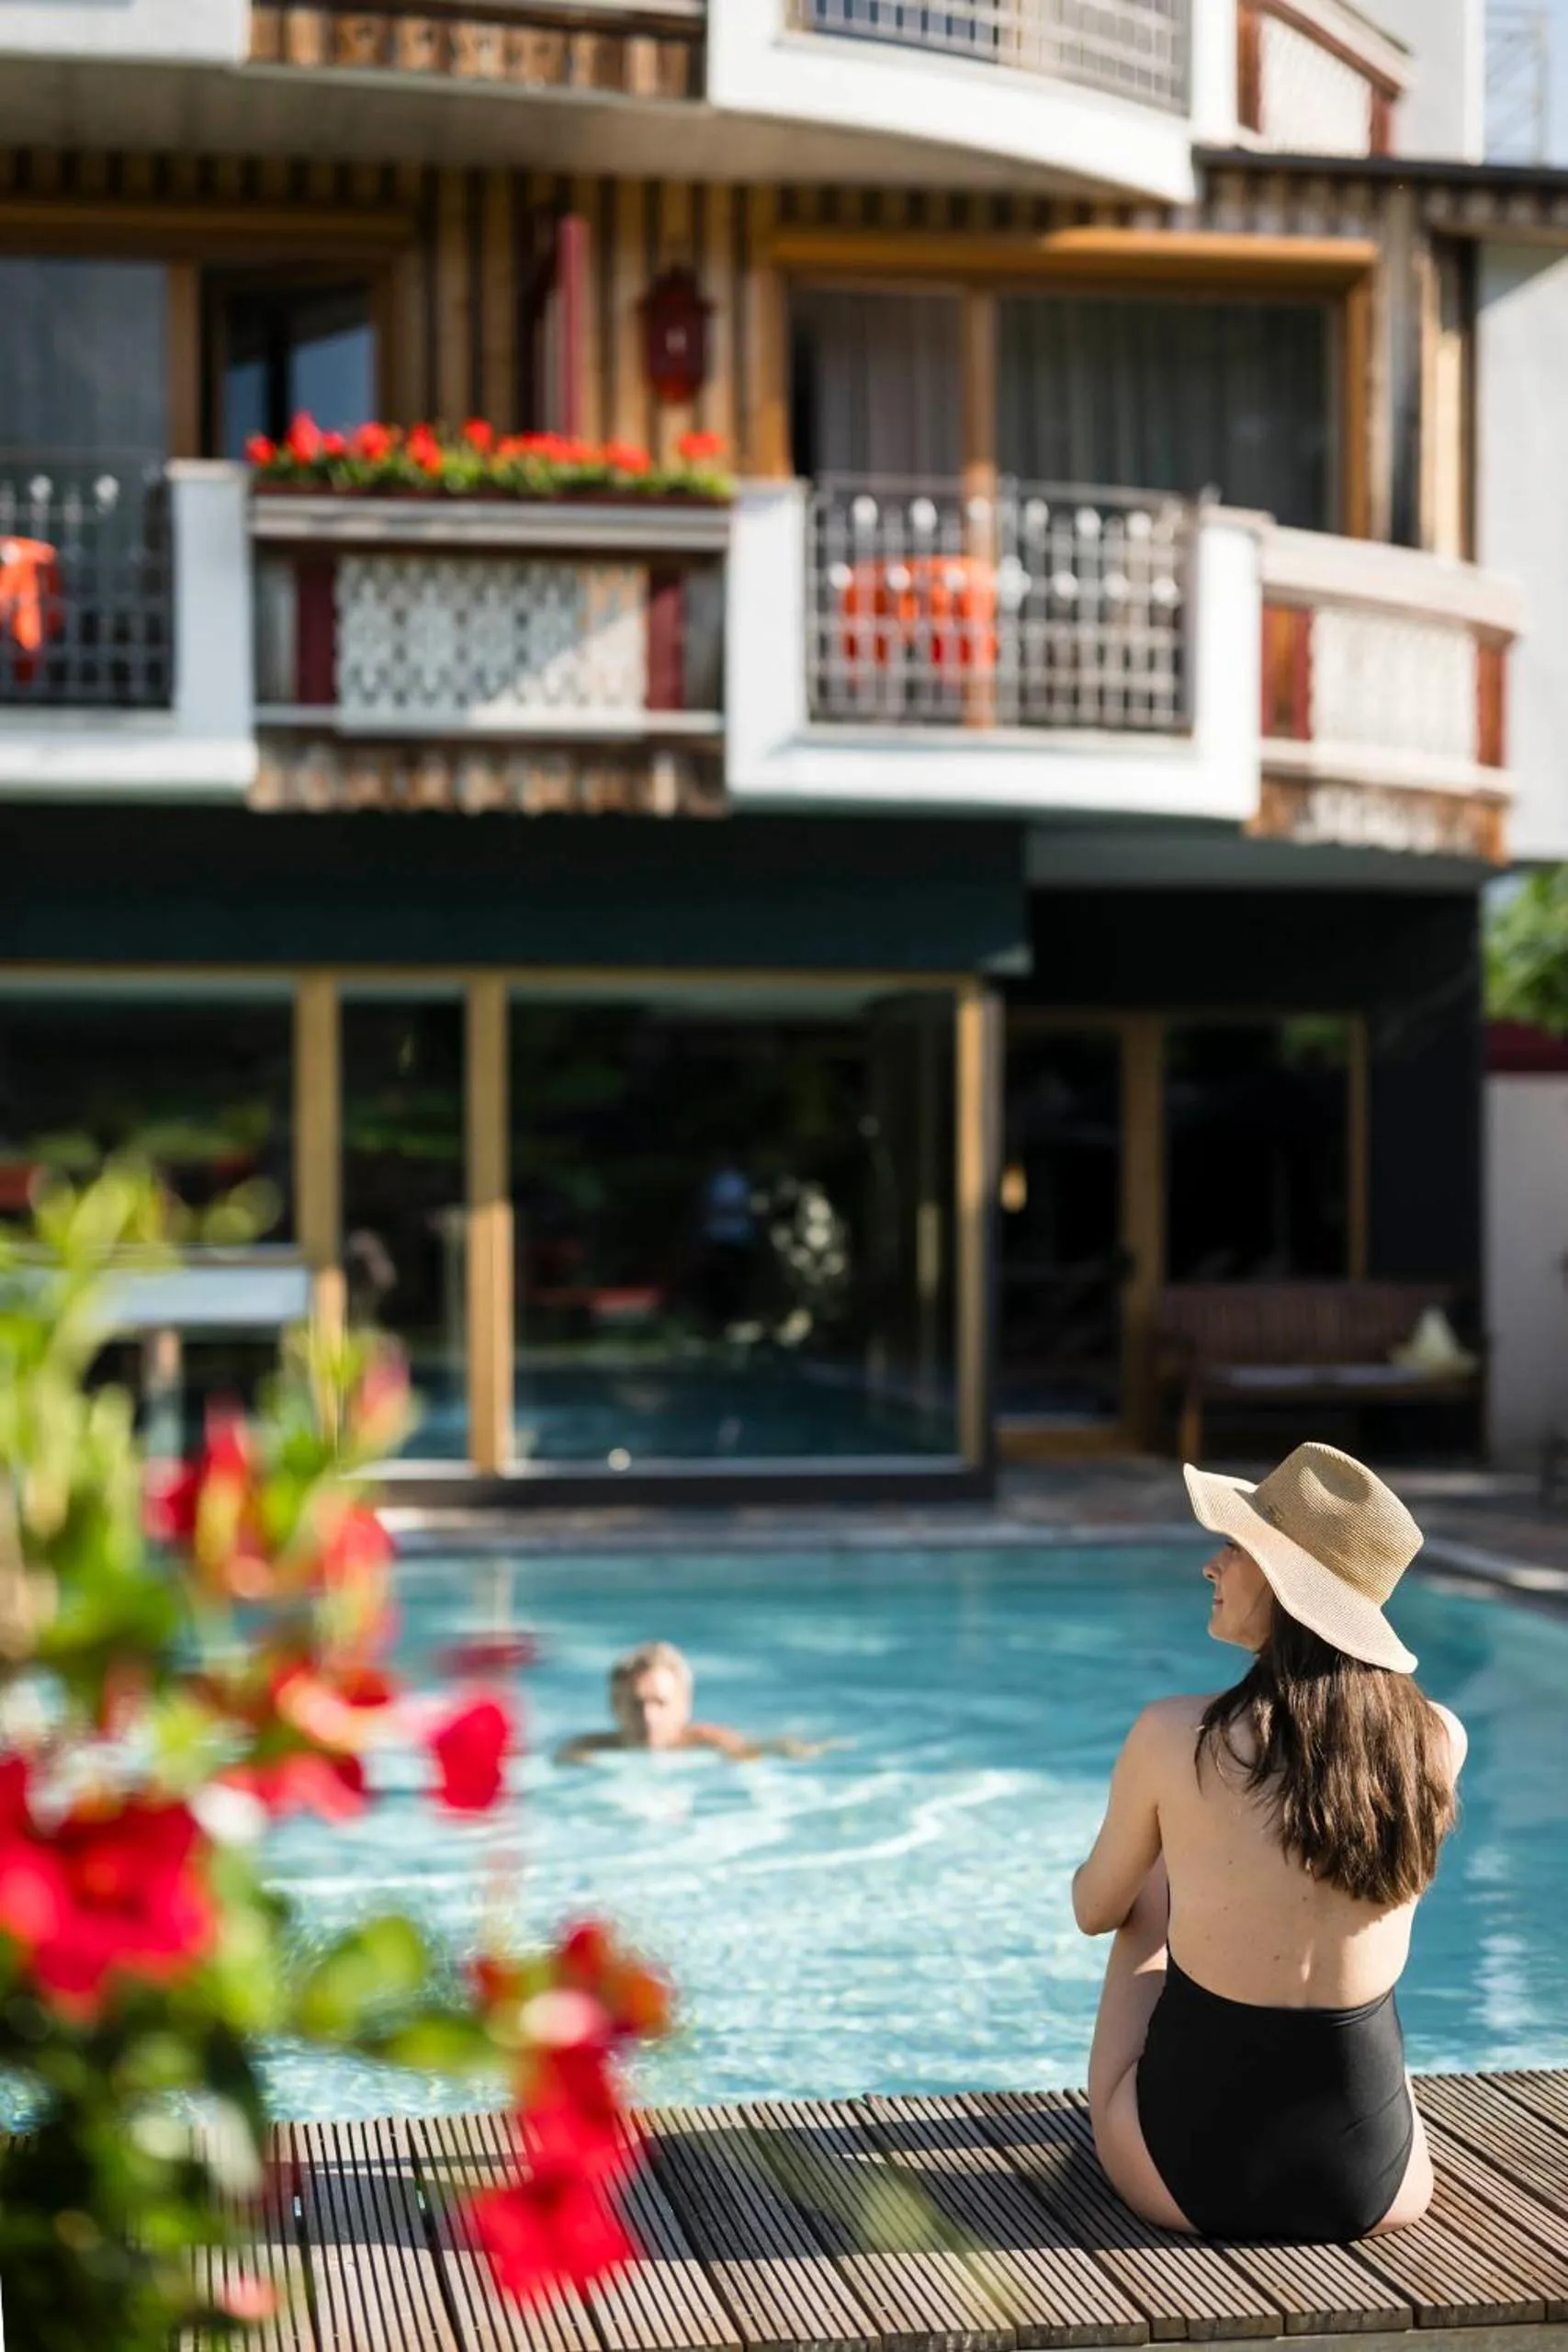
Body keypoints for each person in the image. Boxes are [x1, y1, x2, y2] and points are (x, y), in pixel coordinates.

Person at [1073, 1442, 1467, 2245]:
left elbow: (1090, 1910)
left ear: (1286, 1588)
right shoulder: (1437, 1740)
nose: (1210, 1568)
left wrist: (1173, 1863)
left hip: (1185, 2176)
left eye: (1233, 1548)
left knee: (1146, 1896)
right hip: (1378, 2184)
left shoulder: (1172, 1736)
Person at [554, 1640, 830, 1764]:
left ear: (683, 1705)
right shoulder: (585, 1750)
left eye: (660, 1703)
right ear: (615, 1706)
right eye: (636, 1704)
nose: (648, 1717)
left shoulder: (713, 1743)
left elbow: (756, 1751)